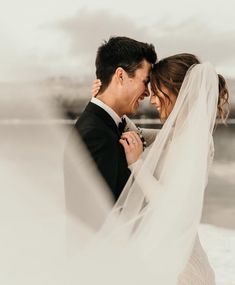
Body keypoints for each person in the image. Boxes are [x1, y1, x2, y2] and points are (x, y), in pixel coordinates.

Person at [90, 53, 229, 284]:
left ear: (179, 91)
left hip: (180, 270)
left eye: (157, 92)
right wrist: (105, 101)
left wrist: (136, 164)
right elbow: (141, 135)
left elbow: (172, 207)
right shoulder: (179, 133)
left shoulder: (193, 141)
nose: (152, 100)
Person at [63, 36, 157, 204]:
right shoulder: (94, 135)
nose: (148, 93)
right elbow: (98, 217)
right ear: (120, 76)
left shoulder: (109, 124)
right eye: (145, 82)